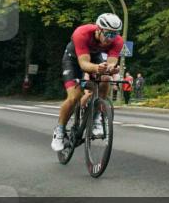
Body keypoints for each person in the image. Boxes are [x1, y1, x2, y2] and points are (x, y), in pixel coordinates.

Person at [51, 13, 124, 152]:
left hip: (94, 57)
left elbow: (111, 62)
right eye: (108, 34)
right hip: (73, 60)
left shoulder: (118, 41)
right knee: (74, 97)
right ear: (98, 29)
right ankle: (59, 131)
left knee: (106, 79)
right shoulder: (82, 33)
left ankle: (96, 118)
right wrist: (97, 68)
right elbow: (84, 64)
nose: (110, 39)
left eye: (114, 35)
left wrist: (111, 69)